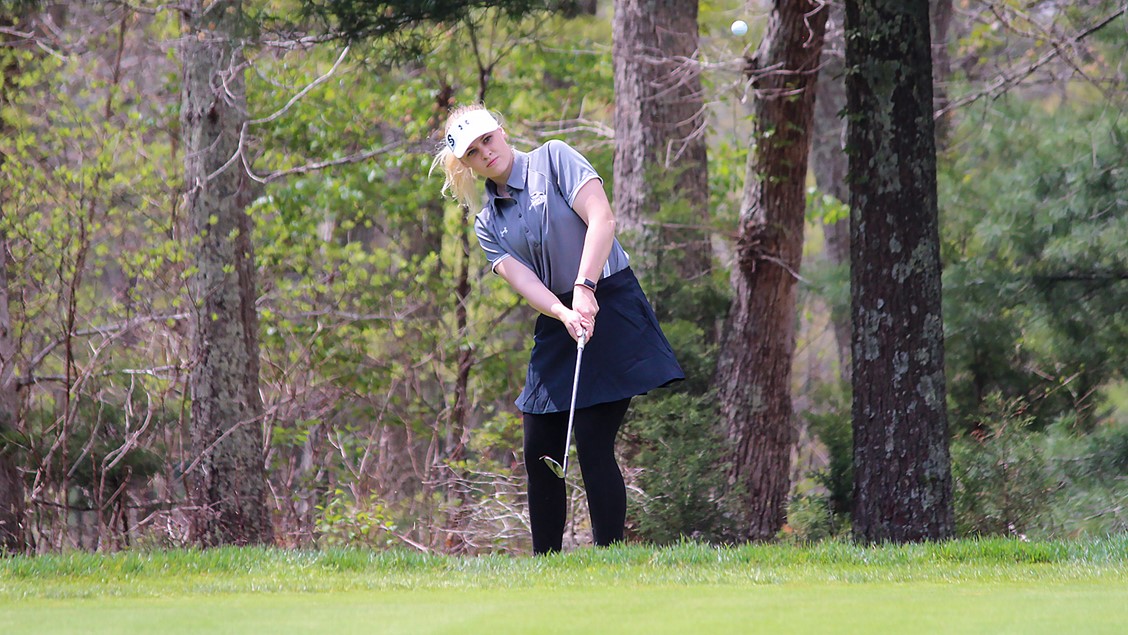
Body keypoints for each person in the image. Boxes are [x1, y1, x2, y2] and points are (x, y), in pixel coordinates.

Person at [432, 105, 684, 554]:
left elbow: (601, 219)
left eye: (488, 139)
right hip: (559, 316)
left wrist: (585, 288)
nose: (486, 152)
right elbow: (524, 281)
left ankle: (610, 558)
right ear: (466, 164)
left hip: (610, 297)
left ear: (502, 132)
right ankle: (546, 565)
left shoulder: (554, 158)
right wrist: (564, 312)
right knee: (538, 444)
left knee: (591, 440)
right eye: (473, 151)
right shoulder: (488, 221)